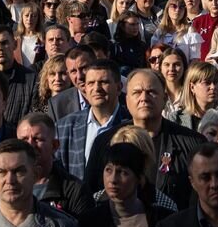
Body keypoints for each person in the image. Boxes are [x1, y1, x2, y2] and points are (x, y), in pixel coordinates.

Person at [84, 69, 205, 211]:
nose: (144, 98)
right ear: (127, 100)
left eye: (151, 92)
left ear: (165, 98)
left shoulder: (193, 144)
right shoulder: (105, 143)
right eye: (137, 92)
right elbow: (90, 192)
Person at [77, 142, 173, 227]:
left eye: (123, 172)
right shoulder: (89, 223)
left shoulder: (162, 221)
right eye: (108, 170)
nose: (113, 179)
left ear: (139, 178)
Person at [56, 59, 130, 180]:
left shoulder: (131, 124)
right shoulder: (64, 127)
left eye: (104, 82)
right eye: (91, 83)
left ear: (119, 88)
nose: (97, 88)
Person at [0, 25, 37, 124]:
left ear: (15, 44)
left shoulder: (32, 79)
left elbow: (35, 117)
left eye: (4, 43)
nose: (0, 48)